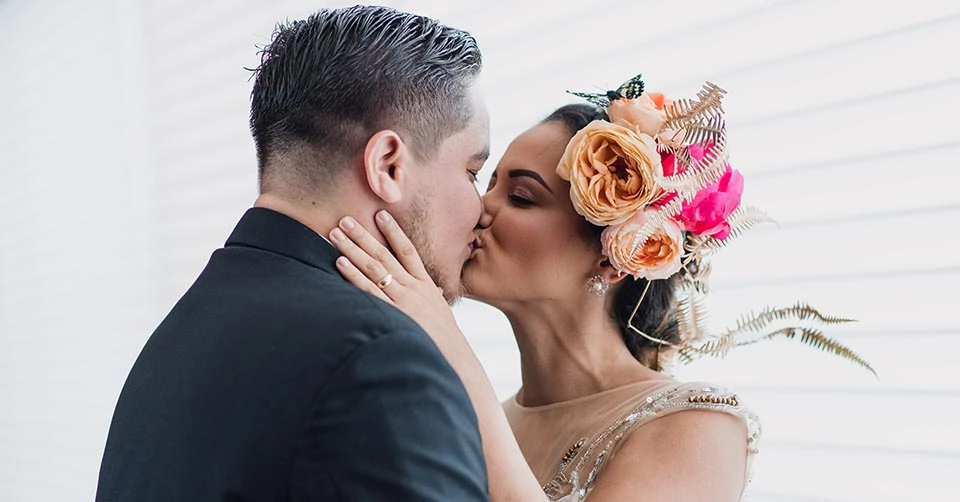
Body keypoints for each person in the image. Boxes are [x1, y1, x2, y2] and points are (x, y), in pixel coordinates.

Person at [330, 75, 871, 500]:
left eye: (520, 197)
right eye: (482, 182)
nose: (479, 209)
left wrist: (450, 346)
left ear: (617, 256)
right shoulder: (476, 415)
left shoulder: (695, 427)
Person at [96, 6, 493, 501]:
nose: (482, 211)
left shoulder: (180, 333)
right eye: (474, 173)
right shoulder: (380, 360)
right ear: (389, 166)